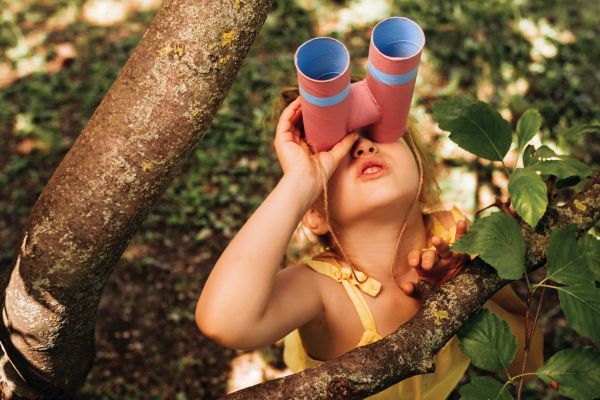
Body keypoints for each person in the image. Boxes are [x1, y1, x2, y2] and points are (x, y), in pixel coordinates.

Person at [196, 85, 543, 399]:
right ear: (314, 212)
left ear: (420, 175)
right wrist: (301, 182)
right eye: (336, 148)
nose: (362, 145)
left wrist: (462, 294)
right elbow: (223, 322)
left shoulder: (454, 238)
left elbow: (531, 357)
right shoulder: (322, 292)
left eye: (379, 131)